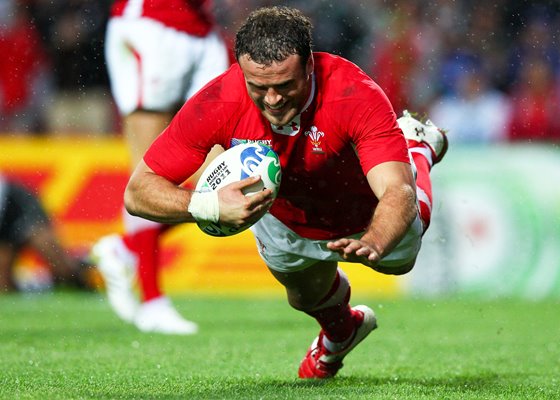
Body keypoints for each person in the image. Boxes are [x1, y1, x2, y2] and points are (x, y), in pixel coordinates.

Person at [123, 6, 448, 379]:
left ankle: (418, 149)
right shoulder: (220, 100)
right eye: (259, 87)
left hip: (365, 211)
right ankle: (342, 333)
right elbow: (137, 192)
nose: (273, 99)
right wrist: (206, 204)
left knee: (399, 256)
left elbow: (396, 191)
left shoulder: (352, 93)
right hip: (285, 215)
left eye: (284, 85)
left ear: (309, 66)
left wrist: (375, 239)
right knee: (304, 296)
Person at [91, 0, 230, 334]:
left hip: (202, 27)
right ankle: (152, 300)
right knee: (150, 172)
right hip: (151, 22)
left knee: (223, 172)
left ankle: (124, 249)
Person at [0, 176, 93, 292]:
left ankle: (91, 268)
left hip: (16, 204)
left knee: (63, 269)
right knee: (4, 287)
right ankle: (39, 283)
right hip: (4, 218)